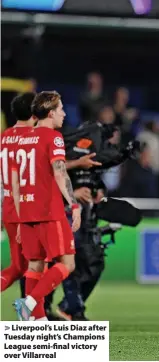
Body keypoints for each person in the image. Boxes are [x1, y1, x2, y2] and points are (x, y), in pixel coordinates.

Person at [11, 90, 81, 321]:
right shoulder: (53, 137)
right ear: (50, 113)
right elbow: (60, 174)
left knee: (35, 265)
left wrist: (19, 216)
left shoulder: (22, 138)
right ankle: (29, 303)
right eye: (60, 109)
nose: (64, 113)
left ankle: (38, 322)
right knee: (67, 264)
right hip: (49, 212)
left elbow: (15, 181)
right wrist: (74, 204)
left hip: (26, 211)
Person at [1, 92, 36, 292]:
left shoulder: (5, 136)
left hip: (9, 208)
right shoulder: (31, 138)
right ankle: (35, 314)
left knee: (20, 267)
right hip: (25, 207)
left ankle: (33, 313)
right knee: (39, 262)